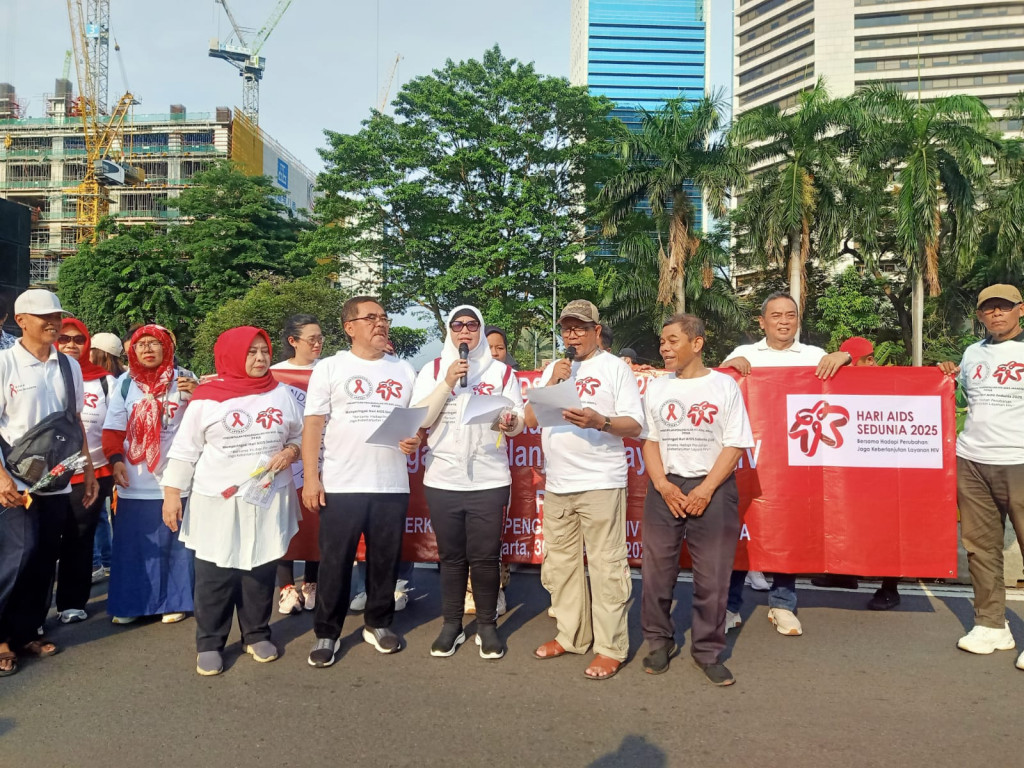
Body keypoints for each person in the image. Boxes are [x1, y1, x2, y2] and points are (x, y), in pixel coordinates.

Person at [162, 327, 304, 676]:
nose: (260, 358)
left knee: (260, 567)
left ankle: (256, 634)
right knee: (216, 572)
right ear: (230, 354)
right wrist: (171, 495)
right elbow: (184, 451)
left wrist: (290, 451)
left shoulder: (283, 393)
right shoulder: (207, 397)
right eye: (251, 352)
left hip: (266, 496)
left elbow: (301, 434)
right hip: (218, 499)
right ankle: (210, 642)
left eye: (264, 351)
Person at [720, 292, 851, 637]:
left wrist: (844, 356)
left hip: (797, 462)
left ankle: (783, 603)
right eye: (775, 315)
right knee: (742, 531)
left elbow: (846, 386)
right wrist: (730, 370)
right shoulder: (742, 355)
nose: (783, 321)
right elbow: (718, 390)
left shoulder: (814, 356)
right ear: (762, 322)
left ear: (797, 320)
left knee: (787, 529)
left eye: (790, 315)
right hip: (750, 458)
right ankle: (730, 606)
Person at [526, 299, 644, 680]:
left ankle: (610, 647)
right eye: (567, 328)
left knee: (608, 567)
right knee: (560, 566)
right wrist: (551, 383)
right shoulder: (554, 369)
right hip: (559, 483)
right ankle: (572, 636)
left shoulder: (614, 369)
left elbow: (635, 426)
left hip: (601, 482)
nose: (572, 335)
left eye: (580, 327)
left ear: (597, 330)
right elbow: (529, 419)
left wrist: (601, 421)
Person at [302, 296, 421, 668]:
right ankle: (327, 632)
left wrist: (416, 439)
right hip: (342, 482)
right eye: (371, 318)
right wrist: (310, 478)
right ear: (350, 327)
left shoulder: (404, 369)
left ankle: (379, 623)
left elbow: (417, 424)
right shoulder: (331, 368)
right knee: (335, 562)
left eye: (384, 317)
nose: (381, 324)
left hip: (390, 482)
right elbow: (314, 426)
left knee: (385, 561)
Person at [640, 314, 753, 685]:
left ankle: (707, 650)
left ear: (697, 344)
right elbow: (650, 440)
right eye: (662, 341)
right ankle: (658, 641)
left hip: (714, 488)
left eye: (673, 341)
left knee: (713, 577)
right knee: (657, 572)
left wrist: (705, 489)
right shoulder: (656, 388)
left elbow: (735, 443)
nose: (664, 348)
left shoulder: (724, 387)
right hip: (665, 488)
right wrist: (662, 483)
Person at [412, 306, 524, 659]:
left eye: (471, 326)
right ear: (449, 331)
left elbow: (518, 420)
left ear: (480, 331)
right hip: (443, 477)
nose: (465, 332)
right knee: (452, 557)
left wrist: (509, 422)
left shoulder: (502, 372)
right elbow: (423, 418)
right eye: (458, 325)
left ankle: (488, 626)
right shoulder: (433, 370)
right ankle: (452, 624)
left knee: (486, 557)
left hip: (488, 477)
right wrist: (447, 382)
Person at [0, 289, 97, 676]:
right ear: (20, 320)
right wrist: (1, 477)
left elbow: (74, 423)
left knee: (43, 558)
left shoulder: (68, 366)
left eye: (57, 315)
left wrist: (87, 471)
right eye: (44, 317)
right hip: (14, 483)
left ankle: (26, 631)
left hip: (57, 479)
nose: (53, 323)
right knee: (16, 556)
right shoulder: (5, 363)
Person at [937, 284, 1024, 667]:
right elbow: (955, 397)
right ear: (980, 315)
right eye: (989, 309)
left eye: (1004, 308)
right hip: (972, 460)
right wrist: (944, 375)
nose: (997, 315)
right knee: (980, 547)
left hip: (1019, 460)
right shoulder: (972, 352)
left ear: (1020, 310)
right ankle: (992, 625)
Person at [101, 324, 194, 625]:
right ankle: (131, 604)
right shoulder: (126, 383)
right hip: (135, 478)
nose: (148, 349)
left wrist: (197, 396)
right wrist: (115, 460)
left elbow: (201, 424)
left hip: (175, 478)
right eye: (142, 344)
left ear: (168, 347)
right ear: (132, 350)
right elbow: (113, 427)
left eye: (155, 343)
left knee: (175, 547)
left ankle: (173, 602)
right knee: (134, 546)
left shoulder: (185, 379)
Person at [809, 336, 901, 610]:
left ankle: (890, 587)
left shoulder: (890, 382)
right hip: (849, 466)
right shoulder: (837, 385)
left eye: (868, 359)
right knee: (843, 515)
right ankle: (843, 573)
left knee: (886, 525)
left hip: (884, 467)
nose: (871, 363)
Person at [53, 319, 117, 623]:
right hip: (46, 475)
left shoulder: (104, 381)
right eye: (64, 338)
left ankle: (71, 602)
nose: (71, 345)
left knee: (80, 538)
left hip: (93, 472)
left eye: (78, 339)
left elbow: (117, 424)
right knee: (43, 542)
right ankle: (31, 615)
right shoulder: (45, 374)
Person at [270, 314, 324, 615]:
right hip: (284, 457)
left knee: (316, 518)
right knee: (285, 520)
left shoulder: (328, 370)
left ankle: (312, 583)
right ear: (293, 341)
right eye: (311, 339)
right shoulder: (274, 373)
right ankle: (286, 587)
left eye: (320, 338)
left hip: (321, 457)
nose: (317, 344)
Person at [89, 332, 124, 582]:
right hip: (107, 457)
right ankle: (108, 559)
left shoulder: (114, 382)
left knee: (104, 512)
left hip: (109, 458)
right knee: (104, 512)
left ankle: (103, 561)